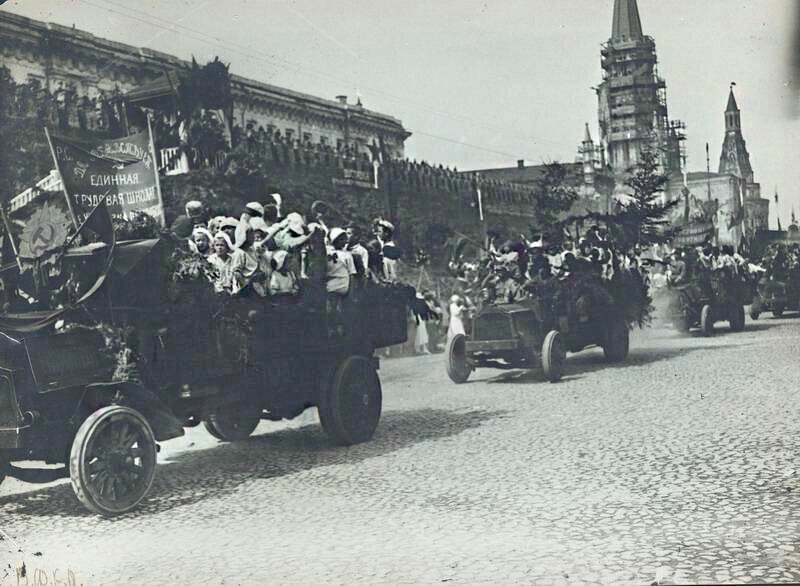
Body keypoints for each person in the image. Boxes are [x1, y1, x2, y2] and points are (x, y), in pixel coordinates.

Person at [325, 228, 356, 296]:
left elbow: (352, 273)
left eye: (345, 239)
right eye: (341, 239)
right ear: (335, 240)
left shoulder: (347, 255)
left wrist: (351, 292)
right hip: (330, 286)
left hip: (342, 286)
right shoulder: (326, 252)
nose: (344, 242)